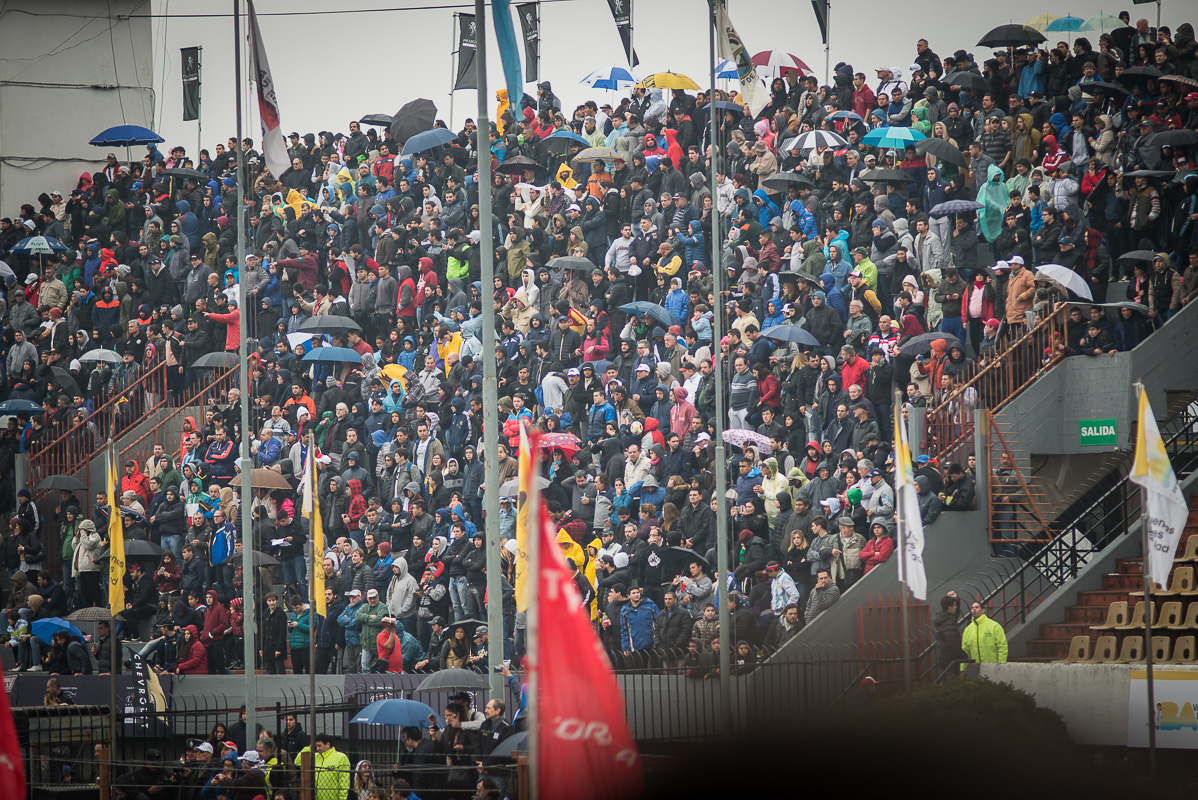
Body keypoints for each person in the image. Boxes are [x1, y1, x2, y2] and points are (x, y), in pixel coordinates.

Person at [961, 599, 1008, 668]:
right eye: (972, 608)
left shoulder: (994, 626)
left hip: (992, 667)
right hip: (975, 668)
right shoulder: (968, 630)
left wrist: (1001, 664)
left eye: (976, 607)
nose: (974, 609)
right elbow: (965, 650)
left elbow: (1002, 646)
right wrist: (963, 668)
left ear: (983, 610)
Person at [933, 591, 966, 682]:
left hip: (943, 655)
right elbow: (952, 642)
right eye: (954, 605)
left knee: (946, 680)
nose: (956, 607)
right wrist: (963, 655)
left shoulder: (942, 617)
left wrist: (956, 600)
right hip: (950, 657)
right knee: (951, 682)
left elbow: (953, 615)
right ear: (949, 607)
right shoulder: (949, 621)